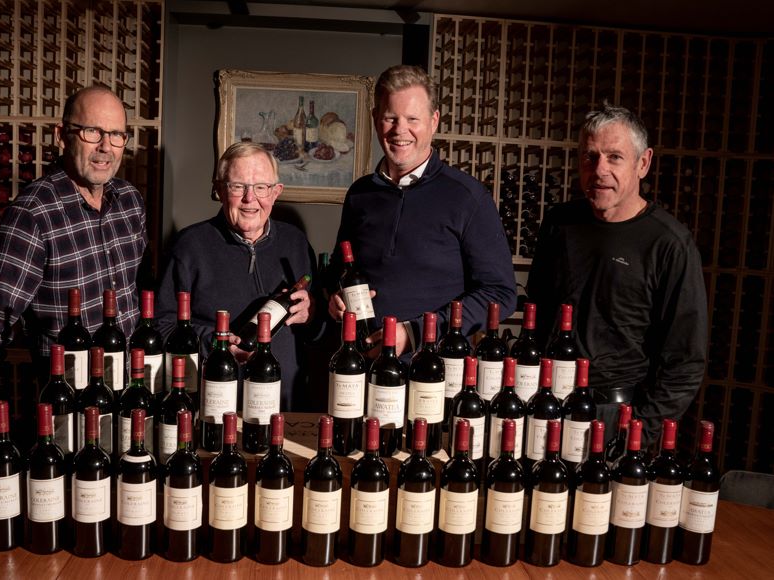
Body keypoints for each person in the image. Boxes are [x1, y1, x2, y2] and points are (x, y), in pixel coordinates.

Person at [527, 103, 707, 449]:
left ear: (643, 163)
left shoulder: (670, 244)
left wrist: (639, 433)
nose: (599, 170)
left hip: (618, 415)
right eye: (590, 156)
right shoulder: (560, 224)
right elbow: (539, 316)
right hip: (548, 405)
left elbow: (685, 362)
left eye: (614, 157)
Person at [0, 85, 148, 408]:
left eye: (117, 135)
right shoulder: (34, 213)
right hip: (70, 404)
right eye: (93, 132)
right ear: (62, 136)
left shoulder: (130, 203)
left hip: (130, 395)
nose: (106, 147)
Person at [329, 64, 516, 356]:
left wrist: (416, 332)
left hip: (434, 370)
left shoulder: (468, 197)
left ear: (434, 121)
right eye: (390, 117)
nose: (400, 130)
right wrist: (334, 298)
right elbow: (339, 272)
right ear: (375, 118)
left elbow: (500, 295)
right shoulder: (360, 194)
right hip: (361, 366)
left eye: (412, 119)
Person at [154, 142, 316, 410]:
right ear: (219, 190)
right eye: (237, 186)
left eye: (261, 187)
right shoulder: (189, 246)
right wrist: (215, 344)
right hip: (213, 406)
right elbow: (162, 326)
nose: (250, 199)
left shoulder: (296, 243)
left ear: (276, 192)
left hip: (283, 407)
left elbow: (318, 328)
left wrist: (313, 313)